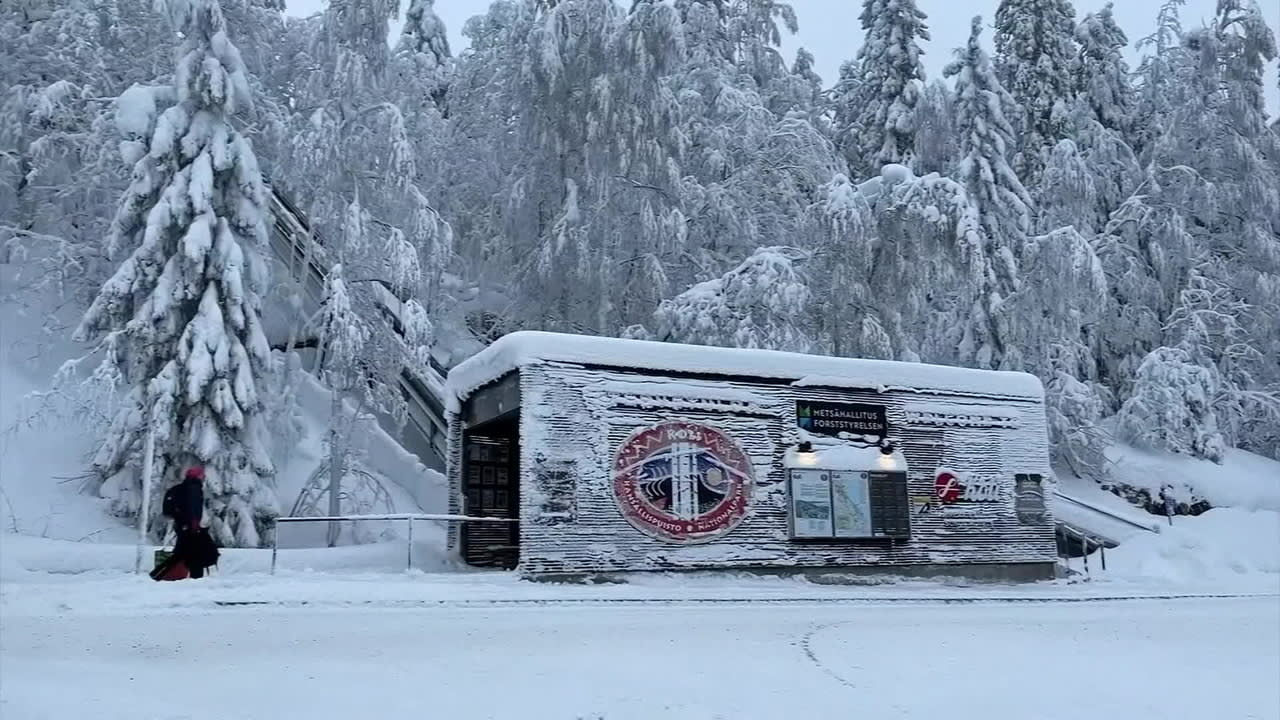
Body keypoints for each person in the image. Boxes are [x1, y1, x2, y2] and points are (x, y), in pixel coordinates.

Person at [163, 466, 215, 579]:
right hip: (190, 525)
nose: (203, 478)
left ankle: (173, 573)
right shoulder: (194, 488)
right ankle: (194, 575)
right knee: (195, 551)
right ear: (198, 476)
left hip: (181, 523)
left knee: (183, 549)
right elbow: (193, 507)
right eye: (202, 475)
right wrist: (194, 525)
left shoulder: (181, 488)